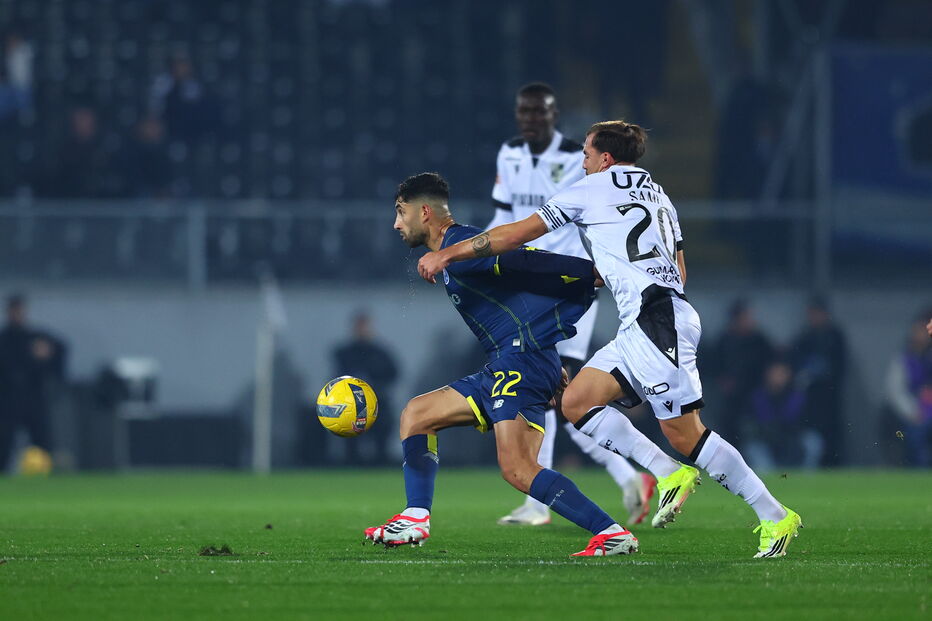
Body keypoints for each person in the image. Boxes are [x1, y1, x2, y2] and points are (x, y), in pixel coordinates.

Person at [418, 121, 803, 558]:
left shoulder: (591, 189)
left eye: (586, 153)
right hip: (650, 315)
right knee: (576, 399)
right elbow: (680, 269)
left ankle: (774, 516)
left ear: (604, 158)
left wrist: (448, 252)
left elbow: (514, 235)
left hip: (657, 321)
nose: (581, 161)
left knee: (684, 434)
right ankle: (666, 472)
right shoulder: (659, 195)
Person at [365, 173, 638, 557]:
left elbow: (523, 260)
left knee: (518, 469)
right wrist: (546, 352)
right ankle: (414, 517)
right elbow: (519, 289)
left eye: (400, 212)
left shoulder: (461, 246)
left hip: (520, 361)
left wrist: (589, 274)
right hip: (514, 360)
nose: (396, 223)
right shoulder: (456, 251)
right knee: (417, 414)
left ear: (424, 212)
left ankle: (610, 532)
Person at [489, 83, 653, 527]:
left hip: (570, 287)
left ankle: (540, 502)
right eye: (523, 112)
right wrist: (476, 251)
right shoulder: (510, 153)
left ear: (553, 114)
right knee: (558, 396)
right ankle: (629, 478)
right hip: (530, 288)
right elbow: (504, 218)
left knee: (549, 395)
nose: (530, 120)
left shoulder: (579, 161)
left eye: (538, 113)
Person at [0, 295, 67, 473]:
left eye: (20, 310)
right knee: (4, 441)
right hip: (8, 399)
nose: (17, 314)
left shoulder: (36, 337)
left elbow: (61, 348)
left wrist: (47, 354)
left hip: (34, 398)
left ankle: (46, 472)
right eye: (14, 310)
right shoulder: (4, 339)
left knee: (42, 439)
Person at [331, 311, 399, 465]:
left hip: (377, 404)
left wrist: (377, 385)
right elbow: (337, 376)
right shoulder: (344, 353)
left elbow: (394, 375)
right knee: (351, 449)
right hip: (351, 407)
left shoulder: (381, 353)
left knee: (380, 445)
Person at [705, 299, 775, 443]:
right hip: (729, 399)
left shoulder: (759, 340)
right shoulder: (724, 341)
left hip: (755, 394)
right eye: (745, 317)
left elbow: (771, 366)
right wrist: (723, 381)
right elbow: (713, 367)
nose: (749, 321)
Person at [790, 297, 848, 466]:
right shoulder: (805, 337)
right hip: (811, 399)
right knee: (813, 434)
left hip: (830, 395)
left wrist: (822, 373)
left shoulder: (835, 337)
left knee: (832, 434)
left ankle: (834, 466)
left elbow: (840, 367)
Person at [884, 312, 932, 467]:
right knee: (913, 436)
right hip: (913, 416)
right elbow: (895, 393)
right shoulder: (902, 361)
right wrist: (912, 411)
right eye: (919, 331)